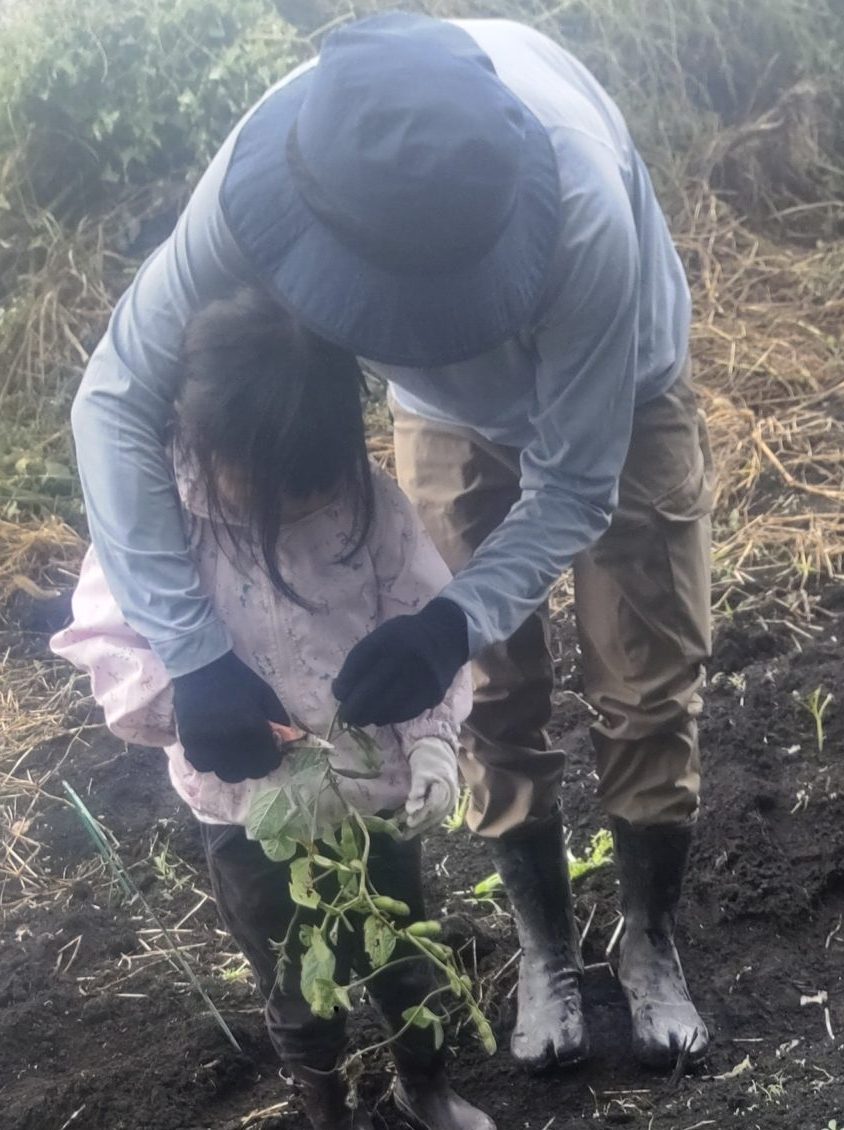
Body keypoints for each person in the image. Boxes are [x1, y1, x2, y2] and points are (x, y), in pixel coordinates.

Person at [71, 13, 713, 1074]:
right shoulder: (266, 177)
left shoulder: (583, 209)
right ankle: (544, 946)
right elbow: (115, 400)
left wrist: (451, 615)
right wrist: (188, 650)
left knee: (645, 684)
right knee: (490, 694)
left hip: (619, 398)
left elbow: (572, 484)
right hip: (444, 416)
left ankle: (649, 941)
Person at [53, 288, 496, 1130]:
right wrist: (182, 706)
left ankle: (424, 1087)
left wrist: (435, 741)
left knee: (403, 948)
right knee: (296, 975)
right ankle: (323, 1104)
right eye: (271, 481)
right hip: (249, 813)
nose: (298, 500)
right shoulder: (156, 524)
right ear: (206, 438)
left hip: (375, 797)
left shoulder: (366, 502)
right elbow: (102, 643)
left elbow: (418, 615)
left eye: (312, 477)